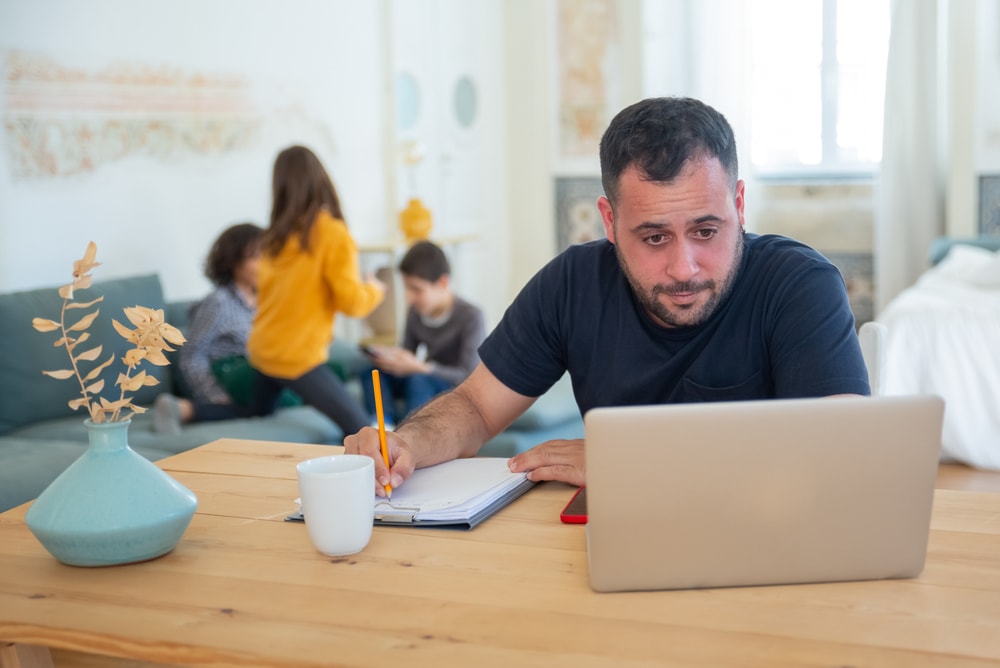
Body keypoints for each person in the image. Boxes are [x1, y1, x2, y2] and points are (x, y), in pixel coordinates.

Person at [345, 96, 870, 494]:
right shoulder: (572, 284)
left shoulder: (799, 285)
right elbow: (477, 409)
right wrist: (408, 442)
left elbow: (842, 455)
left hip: (767, 536)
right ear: (610, 221)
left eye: (707, 231)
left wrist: (634, 461)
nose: (684, 267)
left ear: (738, 204)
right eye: (655, 237)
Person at [247, 145, 385, 436]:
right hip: (297, 359)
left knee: (249, 412)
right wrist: (374, 289)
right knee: (364, 430)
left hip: (261, 352)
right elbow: (352, 304)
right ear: (321, 179)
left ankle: (189, 410)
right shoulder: (332, 234)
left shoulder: (273, 237)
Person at [153, 222, 265, 434]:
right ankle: (185, 408)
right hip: (229, 378)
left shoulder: (265, 302)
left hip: (255, 384)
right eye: (255, 257)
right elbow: (192, 356)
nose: (265, 264)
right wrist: (215, 396)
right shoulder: (218, 302)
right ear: (234, 261)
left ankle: (187, 411)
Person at [360, 240, 486, 425]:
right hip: (422, 375)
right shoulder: (416, 312)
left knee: (419, 379)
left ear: (443, 283)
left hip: (452, 385)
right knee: (373, 372)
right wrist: (392, 358)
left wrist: (423, 367)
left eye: (417, 290)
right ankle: (383, 426)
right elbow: (408, 352)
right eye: (407, 288)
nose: (410, 298)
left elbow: (467, 375)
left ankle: (408, 433)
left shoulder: (471, 316)